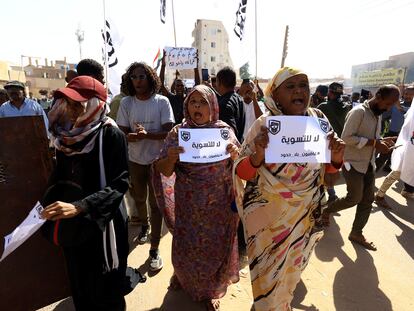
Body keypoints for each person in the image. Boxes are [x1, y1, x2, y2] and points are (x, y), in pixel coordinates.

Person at [233, 67, 345, 311]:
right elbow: (241, 172)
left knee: (290, 275)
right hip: (267, 223)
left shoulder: (319, 121)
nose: (299, 91)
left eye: (303, 85)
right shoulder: (265, 125)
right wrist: (257, 156)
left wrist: (335, 158)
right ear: (276, 94)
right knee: (267, 276)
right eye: (290, 86)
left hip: (304, 218)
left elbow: (329, 175)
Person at [41, 76, 140, 310]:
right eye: (69, 103)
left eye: (78, 104)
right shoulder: (65, 136)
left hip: (103, 224)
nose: (72, 110)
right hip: (72, 225)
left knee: (106, 287)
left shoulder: (111, 135)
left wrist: (80, 206)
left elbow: (119, 183)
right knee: (79, 283)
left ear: (95, 105)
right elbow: (62, 176)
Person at [154, 84, 240, 311]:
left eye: (202, 102)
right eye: (193, 102)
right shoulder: (178, 134)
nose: (197, 107)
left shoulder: (224, 131)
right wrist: (171, 158)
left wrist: (235, 155)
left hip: (219, 204)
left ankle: (210, 290)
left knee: (214, 246)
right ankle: (182, 278)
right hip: (189, 204)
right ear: (187, 106)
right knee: (187, 246)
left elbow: (241, 167)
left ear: (212, 106)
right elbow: (163, 170)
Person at [322, 85, 400, 251]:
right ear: (378, 96)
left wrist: (384, 140)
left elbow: (374, 138)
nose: (389, 108)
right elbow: (346, 138)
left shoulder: (377, 114)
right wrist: (374, 143)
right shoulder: (359, 112)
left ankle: (356, 233)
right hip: (352, 163)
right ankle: (327, 210)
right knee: (354, 198)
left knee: (367, 200)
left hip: (369, 164)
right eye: (388, 103)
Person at [116, 62, 174, 271]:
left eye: (142, 76)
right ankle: (144, 226)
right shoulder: (126, 104)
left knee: (156, 204)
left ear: (150, 78)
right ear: (129, 80)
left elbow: (169, 133)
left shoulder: (162, 102)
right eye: (134, 77)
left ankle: (155, 249)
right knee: (140, 198)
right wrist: (130, 136)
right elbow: (120, 131)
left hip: (157, 161)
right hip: (135, 160)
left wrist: (147, 135)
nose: (138, 80)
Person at [375, 100, 414, 208]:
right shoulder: (410, 113)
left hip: (409, 146)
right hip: (409, 148)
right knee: (397, 171)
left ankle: (408, 191)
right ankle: (379, 195)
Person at [318, 82, 352, 202]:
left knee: (321, 170)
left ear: (330, 93)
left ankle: (328, 196)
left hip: (325, 143)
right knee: (331, 170)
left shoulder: (323, 107)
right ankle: (332, 195)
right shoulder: (347, 106)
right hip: (339, 145)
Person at [376, 85, 414, 172]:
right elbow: (384, 116)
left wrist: (400, 108)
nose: (407, 96)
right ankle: (372, 172)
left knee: (399, 154)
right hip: (392, 133)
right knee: (384, 153)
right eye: (405, 93)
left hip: (407, 137)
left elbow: (408, 115)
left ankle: (389, 167)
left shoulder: (405, 107)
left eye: (410, 94)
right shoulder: (396, 104)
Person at [159, 50, 200, 125]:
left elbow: (197, 85)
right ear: (174, 88)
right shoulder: (171, 98)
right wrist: (163, 66)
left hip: (187, 127)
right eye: (177, 86)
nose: (180, 87)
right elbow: (161, 84)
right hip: (174, 128)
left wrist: (195, 67)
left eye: (181, 86)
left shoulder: (188, 98)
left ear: (184, 87)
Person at [216, 67, 245, 142]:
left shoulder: (224, 104)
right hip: (239, 145)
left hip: (230, 149)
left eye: (216, 81)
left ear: (219, 82)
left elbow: (229, 132)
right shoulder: (239, 99)